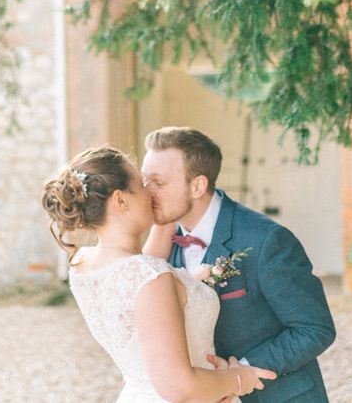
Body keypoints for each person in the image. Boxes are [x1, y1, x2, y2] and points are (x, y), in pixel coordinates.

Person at [41, 146, 277, 403]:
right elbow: (179, 388)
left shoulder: (82, 264)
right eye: (142, 184)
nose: (150, 192)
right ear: (120, 200)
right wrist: (240, 379)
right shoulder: (149, 277)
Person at [141, 127, 336, 403]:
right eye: (144, 181)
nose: (147, 193)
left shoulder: (267, 240)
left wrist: (240, 372)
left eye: (158, 183)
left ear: (197, 186)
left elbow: (315, 328)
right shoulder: (164, 243)